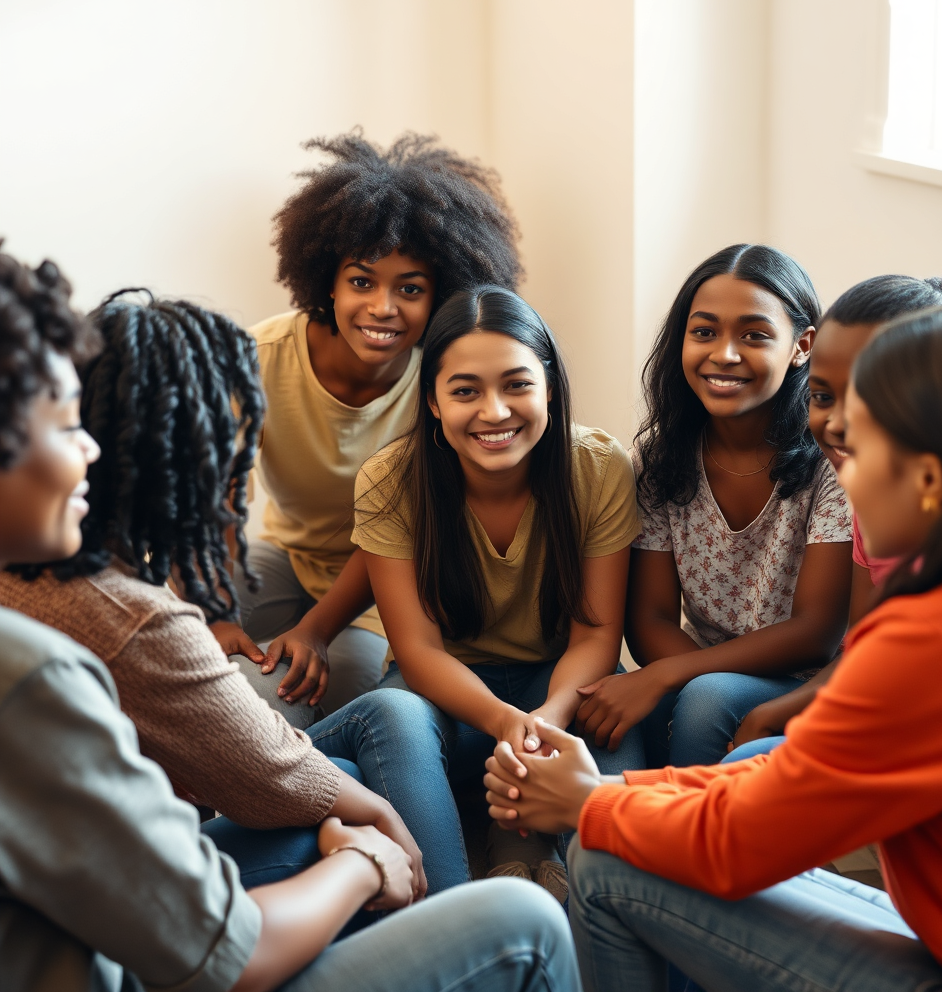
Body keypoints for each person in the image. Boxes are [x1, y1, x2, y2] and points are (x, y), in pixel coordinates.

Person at [0, 245, 582, 992]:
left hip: (98, 909)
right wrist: (369, 860)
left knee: (337, 769)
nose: (87, 445)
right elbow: (230, 948)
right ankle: (451, 929)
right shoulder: (81, 644)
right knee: (513, 914)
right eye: (62, 423)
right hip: (138, 959)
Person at [484, 303, 942, 992]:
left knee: (608, 854)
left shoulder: (936, 641)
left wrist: (587, 805)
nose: (846, 476)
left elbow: (742, 844)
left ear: (929, 479)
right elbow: (789, 778)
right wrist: (609, 789)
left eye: (858, 449)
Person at [0, 291, 424, 895]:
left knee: (379, 726)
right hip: (121, 896)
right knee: (354, 803)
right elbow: (270, 776)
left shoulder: (45, 561)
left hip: (101, 848)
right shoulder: (131, 615)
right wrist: (375, 850)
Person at [308, 286, 646, 898]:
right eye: (465, 391)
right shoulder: (390, 480)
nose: (495, 412)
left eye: (517, 384)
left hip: (560, 688)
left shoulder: (598, 466)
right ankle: (459, 916)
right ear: (433, 403)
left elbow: (597, 632)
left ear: (549, 387)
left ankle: (558, 878)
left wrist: (547, 718)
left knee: (611, 733)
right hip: (445, 699)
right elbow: (418, 651)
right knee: (396, 714)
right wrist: (505, 722)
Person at [213, 130, 522, 718]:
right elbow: (220, 499)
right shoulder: (257, 358)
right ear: (326, 281)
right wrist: (218, 614)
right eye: (362, 282)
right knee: (173, 641)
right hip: (283, 559)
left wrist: (316, 630)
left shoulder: (443, 381)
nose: (383, 307)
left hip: (385, 585)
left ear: (440, 298)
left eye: (410, 289)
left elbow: (396, 523)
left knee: (284, 708)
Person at [577, 244, 852, 767]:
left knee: (701, 700)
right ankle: (611, 836)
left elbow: (818, 632)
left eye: (754, 335)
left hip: (808, 686)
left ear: (801, 346)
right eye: (704, 331)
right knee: (599, 699)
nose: (724, 353)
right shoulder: (658, 457)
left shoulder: (829, 460)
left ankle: (691, 839)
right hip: (698, 666)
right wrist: (681, 677)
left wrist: (669, 678)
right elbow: (650, 619)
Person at [726, 274, 942, 760]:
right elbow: (864, 653)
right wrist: (776, 711)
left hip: (932, 746)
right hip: (877, 718)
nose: (835, 423)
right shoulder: (874, 511)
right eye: (822, 397)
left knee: (740, 767)